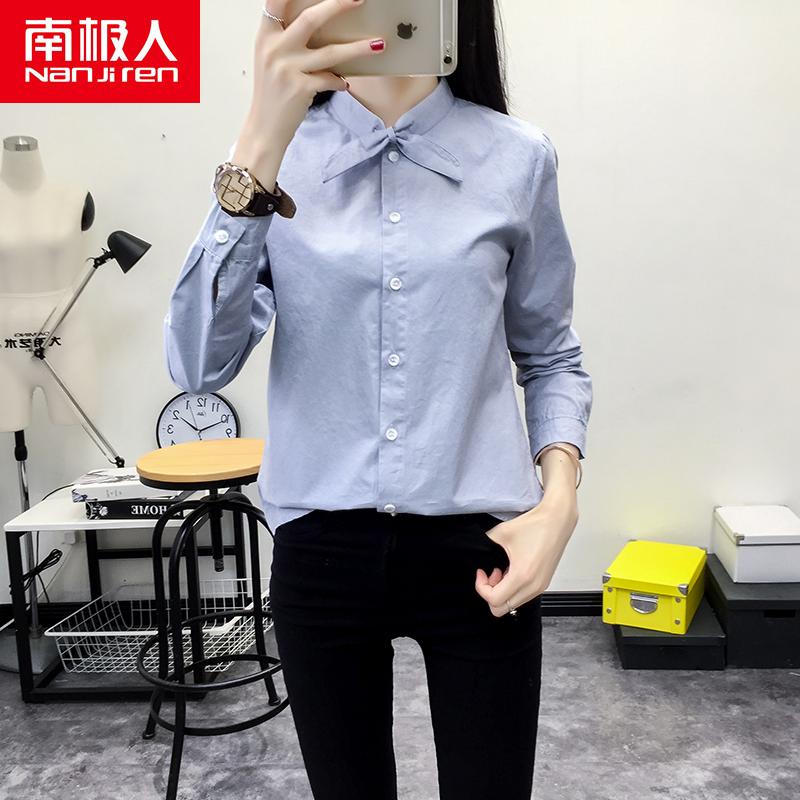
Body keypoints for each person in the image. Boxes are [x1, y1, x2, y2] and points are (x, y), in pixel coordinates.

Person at [163, 0, 593, 797]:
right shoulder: (270, 160)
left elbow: (549, 353)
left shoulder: (517, 157)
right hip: (320, 549)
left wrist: (558, 502)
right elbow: (197, 364)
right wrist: (258, 140)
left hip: (482, 547)